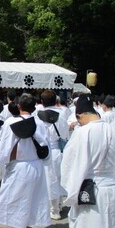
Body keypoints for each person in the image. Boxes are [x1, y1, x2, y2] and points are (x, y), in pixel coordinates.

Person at [0, 93, 51, 228]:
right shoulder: (40, 124)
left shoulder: (11, 122)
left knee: (3, 196)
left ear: (18, 106)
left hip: (18, 166)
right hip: (37, 166)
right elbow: (45, 146)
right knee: (33, 198)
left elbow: (4, 147)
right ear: (34, 107)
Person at [61, 94, 115, 228]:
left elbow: (70, 165)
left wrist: (71, 193)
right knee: (111, 227)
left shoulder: (82, 133)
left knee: (89, 227)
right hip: (112, 189)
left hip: (89, 191)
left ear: (80, 116)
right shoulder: (114, 131)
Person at [36, 89, 69, 220]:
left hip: (46, 151)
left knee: (50, 181)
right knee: (59, 178)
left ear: (42, 102)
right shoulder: (63, 114)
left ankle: (54, 209)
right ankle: (60, 204)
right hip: (59, 150)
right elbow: (66, 134)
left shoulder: (39, 115)